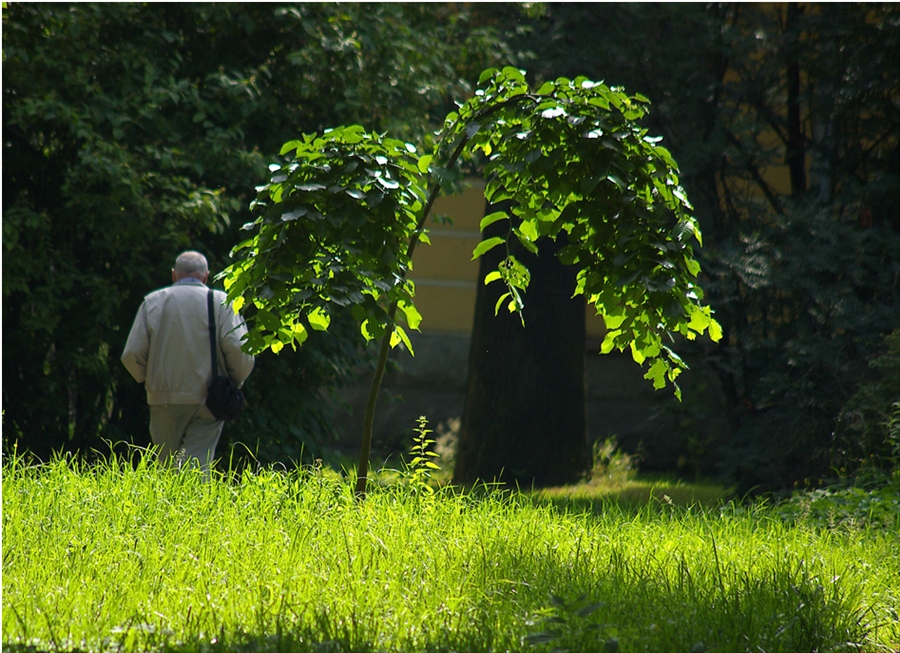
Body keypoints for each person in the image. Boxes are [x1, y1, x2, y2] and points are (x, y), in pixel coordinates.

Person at [121, 251, 255, 475]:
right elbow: (240, 350)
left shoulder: (153, 302)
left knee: (165, 465)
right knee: (197, 465)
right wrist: (235, 381)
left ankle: (166, 506)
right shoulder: (221, 302)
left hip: (162, 396)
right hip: (209, 398)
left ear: (174, 275)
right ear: (206, 276)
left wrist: (148, 379)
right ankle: (193, 507)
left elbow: (132, 354)